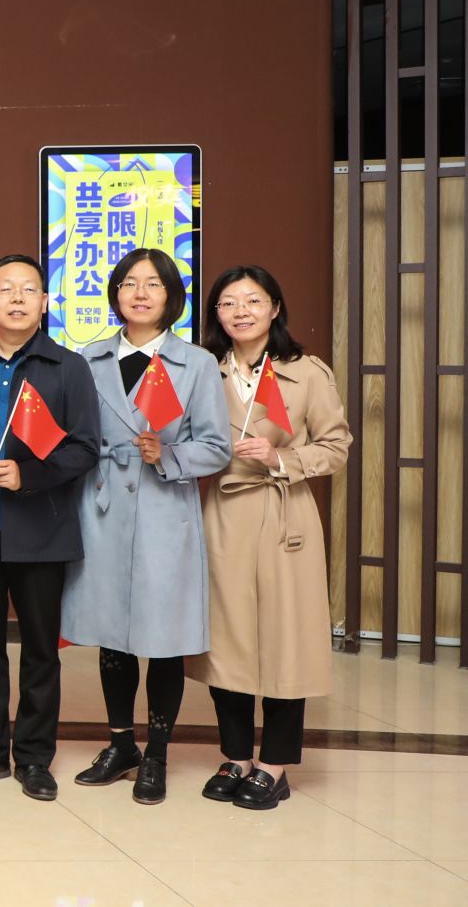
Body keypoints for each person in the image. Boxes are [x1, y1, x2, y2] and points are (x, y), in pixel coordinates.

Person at [61, 248, 231, 806]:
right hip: (104, 509)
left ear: (171, 296)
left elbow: (217, 446)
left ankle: (156, 753)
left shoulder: (196, 364)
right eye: (129, 283)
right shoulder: (89, 358)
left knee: (162, 639)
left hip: (163, 514)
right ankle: (120, 745)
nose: (139, 293)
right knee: (112, 635)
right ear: (115, 293)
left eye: (153, 284)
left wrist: (170, 455)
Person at [187, 266, 349, 811]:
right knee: (227, 640)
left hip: (285, 515)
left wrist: (282, 457)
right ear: (216, 313)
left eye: (253, 301)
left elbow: (336, 446)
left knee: (287, 640)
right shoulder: (203, 369)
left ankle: (274, 766)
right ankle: (235, 756)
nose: (241, 311)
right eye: (229, 302)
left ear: (275, 308)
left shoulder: (306, 372)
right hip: (224, 512)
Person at [0, 254, 101, 802]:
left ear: (44, 302)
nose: (17, 298)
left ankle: (35, 758)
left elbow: (86, 448)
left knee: (40, 649)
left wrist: (29, 475)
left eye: (29, 289)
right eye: (6, 289)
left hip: (40, 527)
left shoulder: (68, 367)